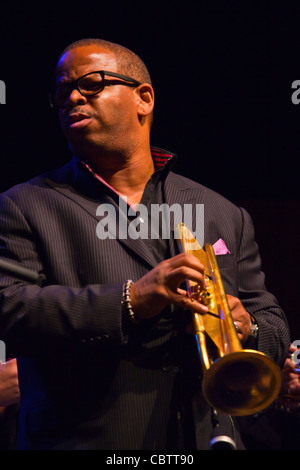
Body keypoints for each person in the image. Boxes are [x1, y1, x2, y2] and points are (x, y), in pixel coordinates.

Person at [0, 38, 290, 450]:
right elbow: (10, 308)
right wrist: (131, 300)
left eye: (92, 83)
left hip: (206, 438)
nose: (73, 98)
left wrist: (247, 327)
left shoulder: (221, 210)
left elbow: (271, 317)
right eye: (62, 91)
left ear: (144, 98)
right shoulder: (23, 205)